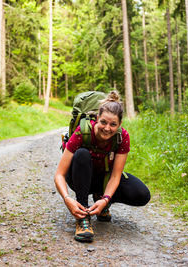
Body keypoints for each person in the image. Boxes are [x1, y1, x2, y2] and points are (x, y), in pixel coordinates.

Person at [54, 91, 151, 242]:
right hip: (78, 177)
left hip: (103, 179)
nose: (107, 128)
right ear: (97, 118)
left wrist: (106, 199)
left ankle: (101, 201)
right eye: (104, 122)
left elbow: (115, 176)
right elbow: (59, 174)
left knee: (142, 194)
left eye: (113, 124)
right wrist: (67, 199)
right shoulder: (82, 132)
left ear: (119, 125)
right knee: (82, 154)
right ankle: (83, 217)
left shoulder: (122, 137)